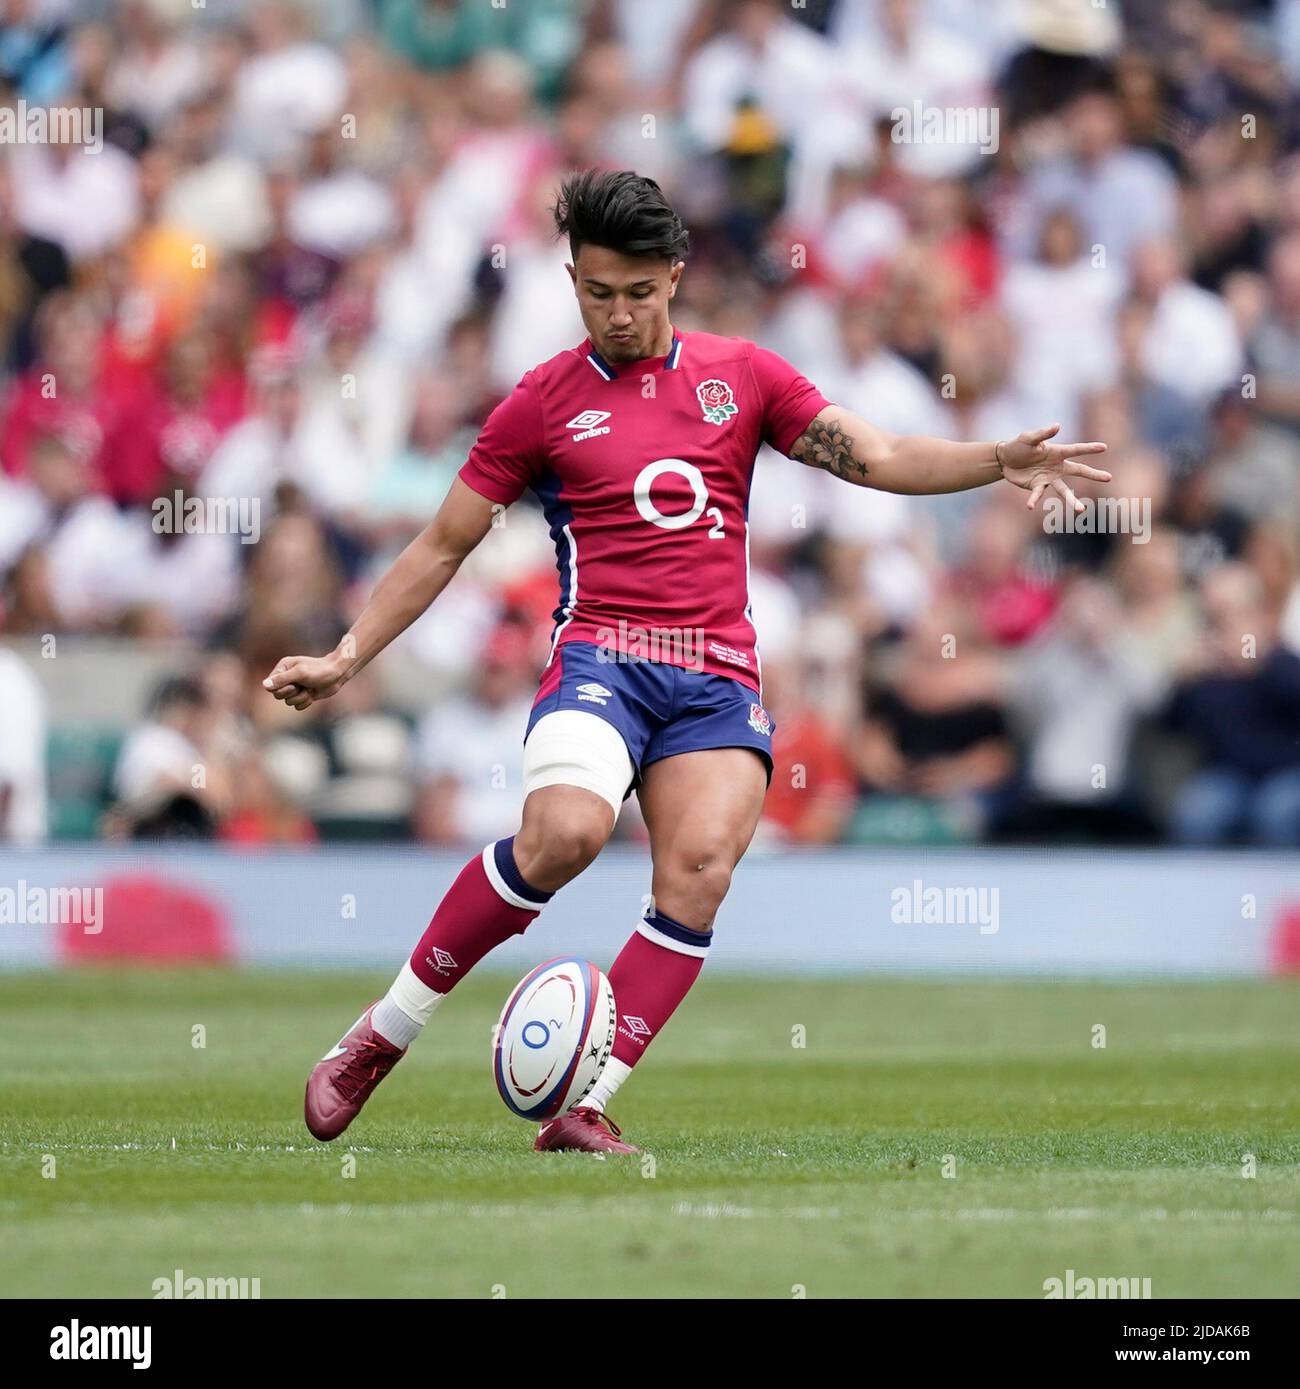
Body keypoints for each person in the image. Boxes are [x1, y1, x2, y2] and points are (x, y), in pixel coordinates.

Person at [263, 169, 1109, 1153]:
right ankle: (381, 1035)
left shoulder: (742, 375)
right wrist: (346, 654)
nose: (618, 315)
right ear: (573, 280)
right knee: (565, 836)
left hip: (715, 679)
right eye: (596, 293)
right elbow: (441, 545)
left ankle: (585, 1103)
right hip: (601, 660)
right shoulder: (539, 403)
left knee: (700, 870)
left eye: (638, 293)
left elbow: (873, 456)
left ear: (673, 276)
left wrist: (992, 461)